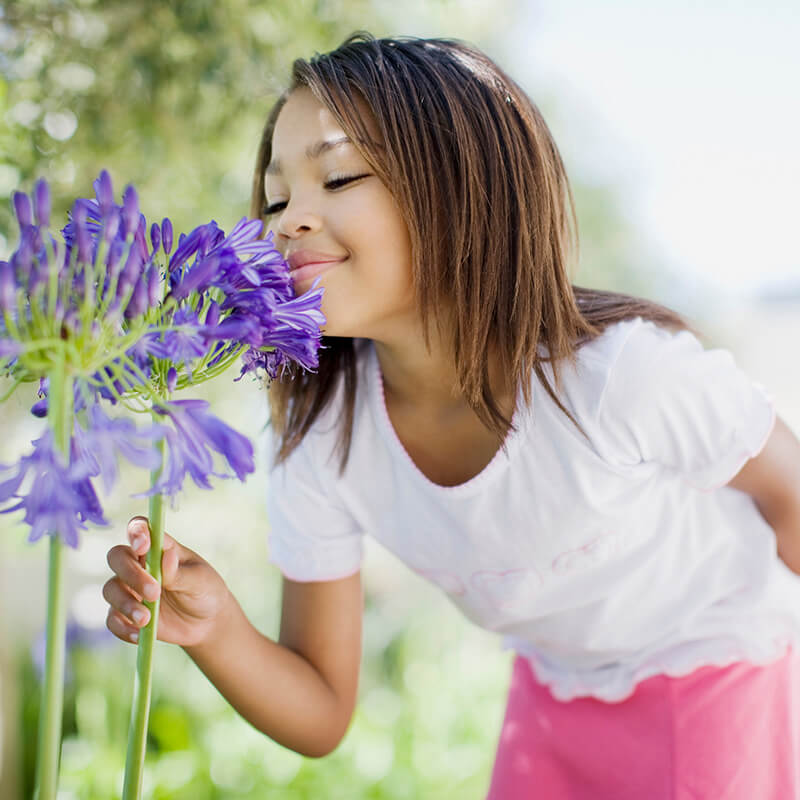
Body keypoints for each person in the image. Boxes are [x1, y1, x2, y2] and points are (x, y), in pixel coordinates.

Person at [102, 32, 800, 798]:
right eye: (275, 196)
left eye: (336, 177)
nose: (286, 221)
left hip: (722, 667)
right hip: (553, 694)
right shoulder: (326, 440)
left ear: (464, 186)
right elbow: (322, 710)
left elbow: (791, 503)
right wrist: (218, 630)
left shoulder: (624, 376)